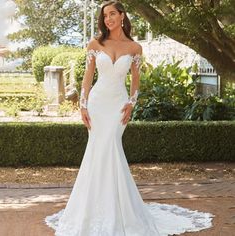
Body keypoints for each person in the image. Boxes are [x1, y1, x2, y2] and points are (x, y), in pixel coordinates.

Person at [45, 1, 214, 235]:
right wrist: (83, 105)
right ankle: (93, 211)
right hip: (97, 104)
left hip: (118, 106)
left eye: (112, 14)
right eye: (104, 16)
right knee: (97, 152)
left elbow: (135, 79)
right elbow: (88, 76)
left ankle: (121, 211)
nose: (108, 19)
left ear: (122, 16)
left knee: (112, 146)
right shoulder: (95, 44)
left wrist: (131, 103)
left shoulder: (135, 48)